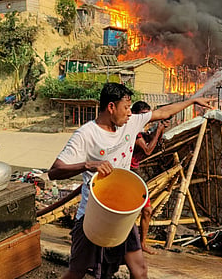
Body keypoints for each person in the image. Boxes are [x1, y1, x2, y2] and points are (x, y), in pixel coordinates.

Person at [48, 83, 213, 279]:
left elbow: (163, 112)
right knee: (77, 272)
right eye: (126, 107)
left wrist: (193, 101)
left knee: (140, 270)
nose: (129, 113)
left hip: (122, 215)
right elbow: (54, 171)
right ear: (111, 107)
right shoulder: (86, 134)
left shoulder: (130, 123)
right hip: (93, 215)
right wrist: (87, 165)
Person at [130, 101, 169, 255]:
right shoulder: (134, 131)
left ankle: (142, 243)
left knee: (147, 210)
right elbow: (147, 150)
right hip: (129, 173)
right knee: (142, 210)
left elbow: (153, 143)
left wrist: (158, 131)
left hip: (135, 173)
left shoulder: (141, 132)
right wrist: (158, 130)